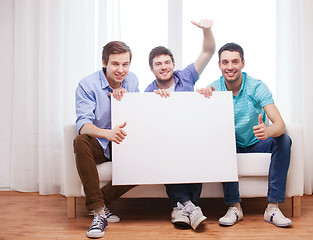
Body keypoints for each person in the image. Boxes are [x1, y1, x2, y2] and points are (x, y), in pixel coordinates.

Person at [197, 42, 293, 228]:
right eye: (225, 62)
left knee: (284, 139)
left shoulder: (256, 87)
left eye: (235, 61)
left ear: (243, 63)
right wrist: (203, 100)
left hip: (256, 142)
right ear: (219, 65)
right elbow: (203, 126)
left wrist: (268, 131)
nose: (230, 66)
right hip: (230, 144)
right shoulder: (214, 89)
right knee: (222, 139)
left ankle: (272, 208)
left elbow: (280, 125)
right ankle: (234, 207)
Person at [144, 19, 215, 230]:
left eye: (167, 62)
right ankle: (191, 207)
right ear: (151, 68)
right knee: (168, 152)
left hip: (190, 137)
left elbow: (208, 51)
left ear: (173, 64)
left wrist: (206, 30)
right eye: (158, 64)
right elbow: (149, 126)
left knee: (195, 150)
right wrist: (157, 102)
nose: (163, 67)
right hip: (166, 143)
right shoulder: (148, 92)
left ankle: (180, 208)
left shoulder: (186, 77)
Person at [74, 41, 139, 239]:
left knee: (148, 160)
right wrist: (107, 133)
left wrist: (129, 100)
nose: (121, 70)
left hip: (124, 142)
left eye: (125, 64)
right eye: (115, 64)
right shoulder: (87, 85)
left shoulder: (133, 80)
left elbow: (138, 117)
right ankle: (99, 214)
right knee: (80, 141)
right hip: (101, 141)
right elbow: (83, 125)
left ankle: (98, 202)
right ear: (104, 63)